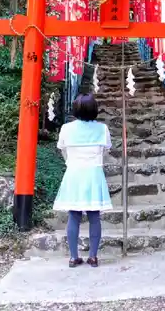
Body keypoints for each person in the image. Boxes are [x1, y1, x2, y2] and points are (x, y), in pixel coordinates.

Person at [53, 93, 113, 268]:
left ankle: (73, 257)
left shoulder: (66, 129)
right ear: (94, 109)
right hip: (94, 173)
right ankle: (93, 257)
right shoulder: (102, 129)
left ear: (75, 109)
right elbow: (106, 151)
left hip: (74, 173)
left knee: (74, 215)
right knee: (95, 216)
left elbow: (63, 150)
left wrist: (71, 162)